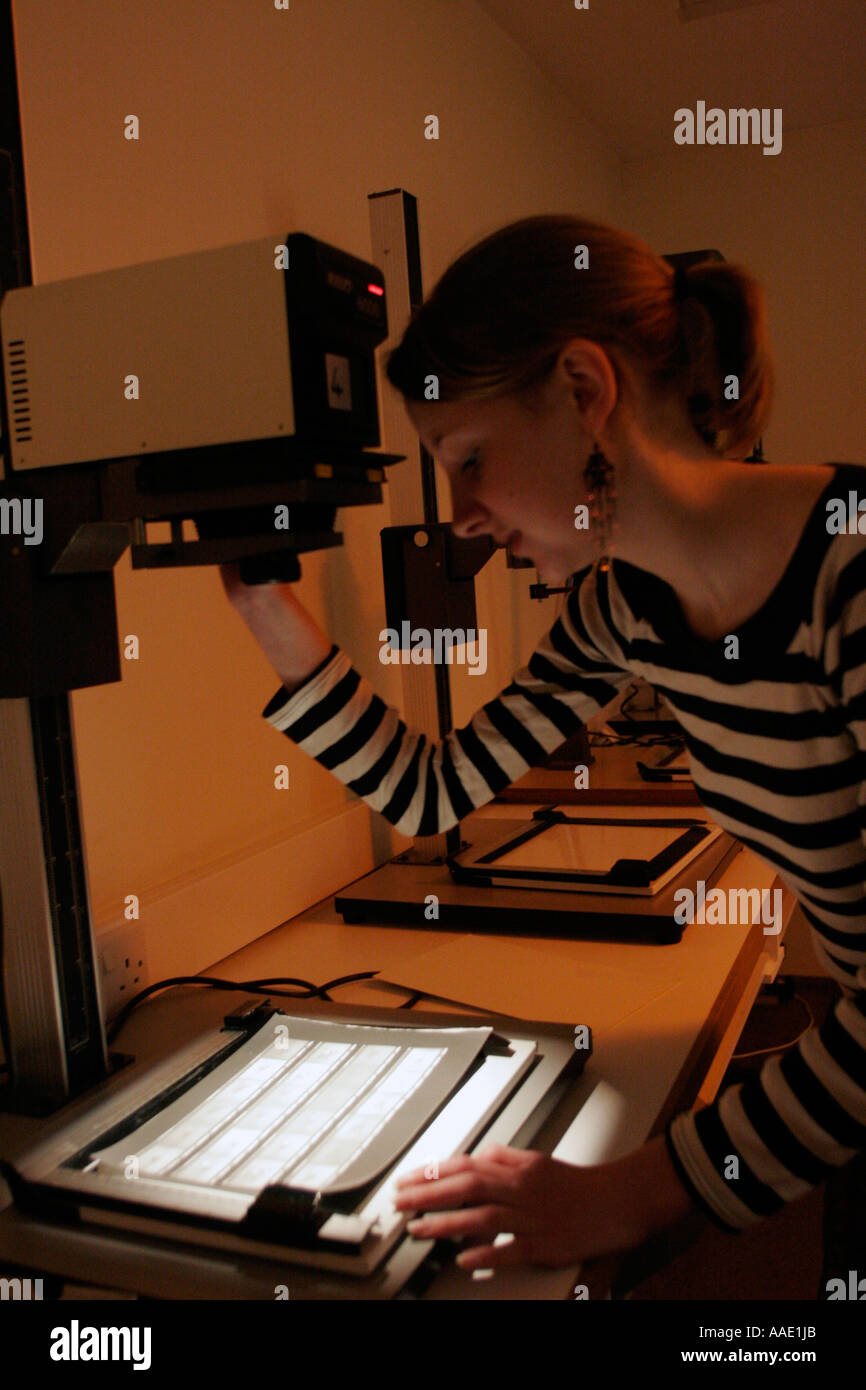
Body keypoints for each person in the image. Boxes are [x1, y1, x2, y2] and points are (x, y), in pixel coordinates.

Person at [220, 214, 865, 1282]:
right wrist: (260, 599)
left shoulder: (849, 572)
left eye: (468, 460)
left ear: (580, 387)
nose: (464, 518)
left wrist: (627, 1191)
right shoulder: (626, 610)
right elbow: (430, 791)